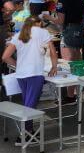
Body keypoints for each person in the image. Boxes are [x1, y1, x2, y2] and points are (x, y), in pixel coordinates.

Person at [2, 15, 58, 143]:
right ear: (38, 23)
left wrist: (17, 65)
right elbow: (53, 52)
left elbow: (5, 57)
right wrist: (54, 66)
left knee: (28, 103)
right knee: (30, 106)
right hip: (35, 74)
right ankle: (25, 134)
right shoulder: (43, 32)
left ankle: (29, 132)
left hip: (21, 75)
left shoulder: (19, 35)